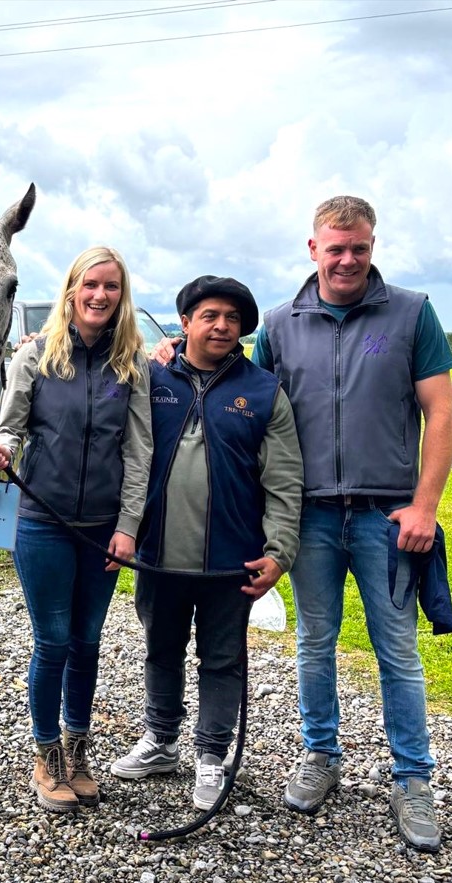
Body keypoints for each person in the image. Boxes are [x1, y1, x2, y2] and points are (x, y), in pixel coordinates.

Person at [152, 197, 452, 851]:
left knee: (397, 653)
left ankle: (411, 778)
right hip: (312, 515)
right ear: (312, 248)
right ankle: (320, 754)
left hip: (386, 516)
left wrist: (426, 505)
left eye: (359, 247)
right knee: (315, 642)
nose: (347, 258)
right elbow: (247, 396)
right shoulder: (281, 326)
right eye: (334, 247)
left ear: (371, 246)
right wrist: (175, 353)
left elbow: (440, 411)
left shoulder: (412, 313)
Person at [110, 276, 303, 811]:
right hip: (158, 556)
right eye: (210, 316)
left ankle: (212, 757)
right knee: (161, 651)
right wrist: (33, 348)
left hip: (231, 559)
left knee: (222, 661)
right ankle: (161, 741)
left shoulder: (264, 391)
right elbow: (86, 379)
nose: (222, 326)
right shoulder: (149, 379)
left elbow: (285, 481)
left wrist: (279, 550)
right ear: (186, 322)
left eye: (233, 319)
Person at [0, 245, 152, 814]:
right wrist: (0, 452)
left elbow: (139, 452)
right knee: (53, 641)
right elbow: (10, 430)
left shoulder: (131, 365)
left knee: (87, 642)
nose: (100, 295)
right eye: (91, 285)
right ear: (72, 290)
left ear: (120, 296)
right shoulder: (35, 358)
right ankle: (47, 755)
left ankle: (79, 751)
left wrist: (128, 527)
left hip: (103, 531)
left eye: (111, 286)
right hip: (44, 524)